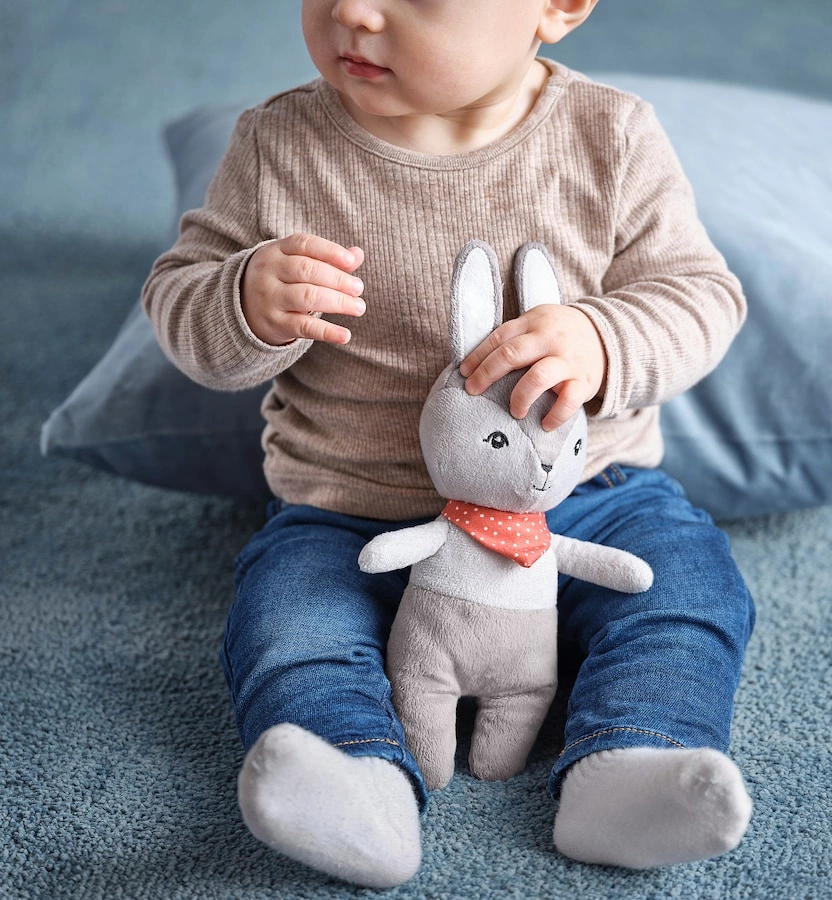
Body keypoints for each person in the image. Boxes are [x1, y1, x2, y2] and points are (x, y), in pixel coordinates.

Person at [142, 0, 756, 889]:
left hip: (586, 497)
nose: (353, 12)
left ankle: (632, 758)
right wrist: (242, 299)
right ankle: (355, 780)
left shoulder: (610, 136)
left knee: (685, 590)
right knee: (289, 623)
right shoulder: (279, 145)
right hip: (355, 513)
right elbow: (179, 299)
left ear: (557, 7)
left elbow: (701, 294)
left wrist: (603, 337)